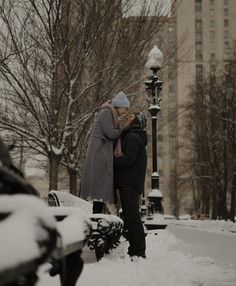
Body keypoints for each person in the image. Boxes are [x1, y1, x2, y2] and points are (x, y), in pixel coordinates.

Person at [80, 91, 130, 210]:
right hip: (99, 153)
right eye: (125, 108)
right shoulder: (106, 113)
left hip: (102, 152)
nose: (125, 112)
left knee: (101, 187)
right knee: (99, 186)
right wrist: (124, 127)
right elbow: (111, 134)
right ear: (119, 105)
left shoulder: (111, 114)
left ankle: (99, 213)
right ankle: (97, 215)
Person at [114, 112, 147, 261]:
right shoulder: (131, 136)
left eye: (131, 117)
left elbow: (128, 160)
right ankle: (134, 250)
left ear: (136, 122)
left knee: (133, 218)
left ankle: (138, 252)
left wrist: (110, 162)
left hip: (130, 184)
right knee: (130, 217)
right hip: (129, 183)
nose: (127, 118)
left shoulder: (133, 137)